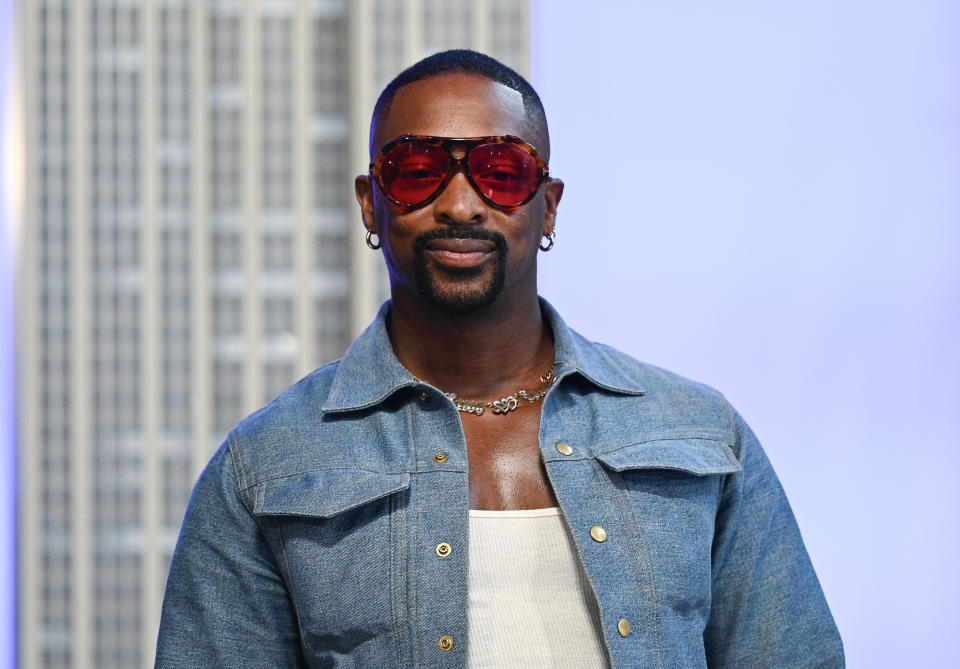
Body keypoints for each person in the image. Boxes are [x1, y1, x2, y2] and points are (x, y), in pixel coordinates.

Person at [156, 49, 844, 668]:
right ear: (372, 204)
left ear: (547, 208)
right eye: (418, 170)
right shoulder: (266, 467)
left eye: (501, 171)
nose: (460, 204)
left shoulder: (701, 434)